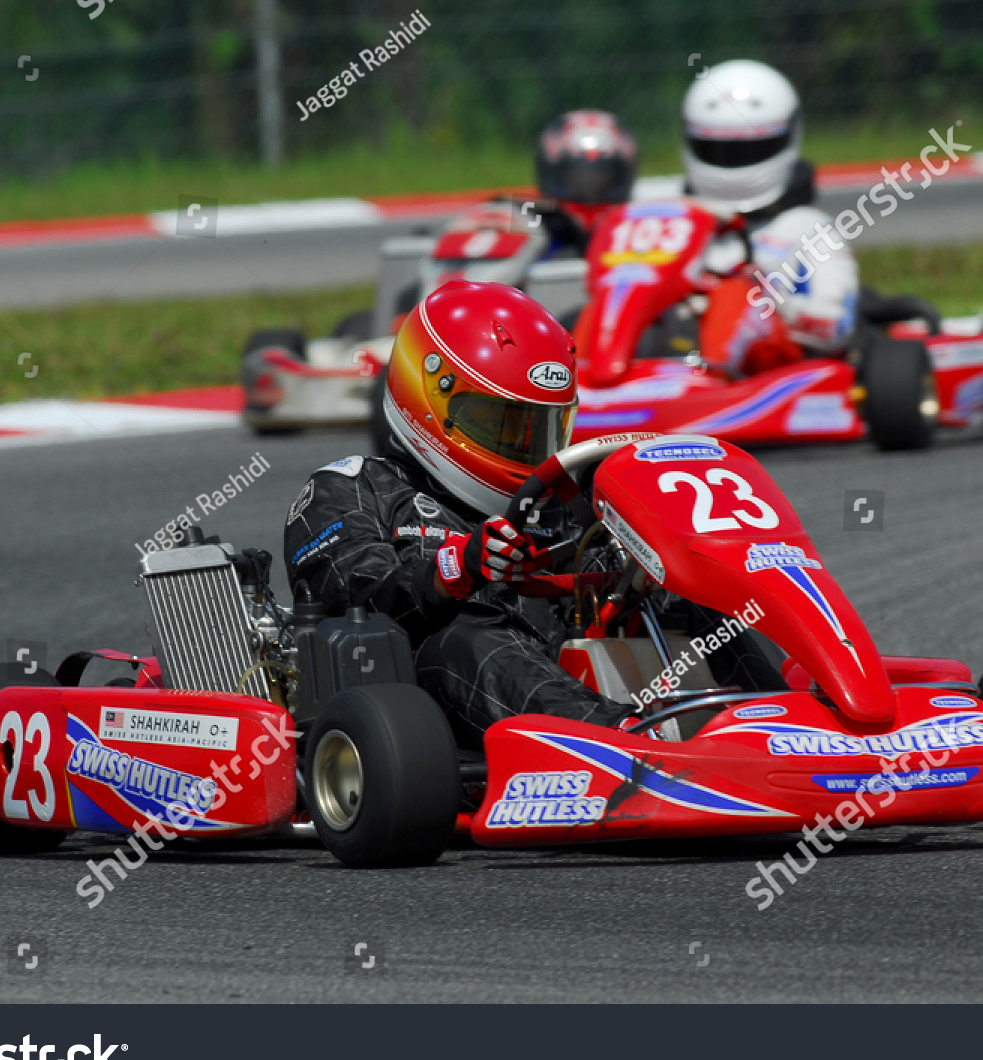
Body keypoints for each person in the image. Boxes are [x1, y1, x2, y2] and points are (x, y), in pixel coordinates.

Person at [284, 279, 782, 747]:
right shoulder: (351, 487)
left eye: (538, 427)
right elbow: (356, 596)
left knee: (684, 603)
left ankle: (777, 720)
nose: (523, 449)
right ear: (432, 398)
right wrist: (455, 569)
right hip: (428, 710)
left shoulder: (566, 499)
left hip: (563, 663)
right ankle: (619, 748)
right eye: (501, 425)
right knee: (463, 637)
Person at [681, 59, 859, 377]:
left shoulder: (807, 227)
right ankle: (583, 379)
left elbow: (836, 325)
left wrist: (766, 302)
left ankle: (708, 379)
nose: (732, 163)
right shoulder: (679, 225)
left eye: (748, 150)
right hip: (675, 349)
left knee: (734, 295)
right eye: (715, 150)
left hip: (771, 367)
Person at [530, 109, 640, 258]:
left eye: (600, 178)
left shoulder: (634, 229)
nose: (589, 187)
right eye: (578, 178)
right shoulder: (531, 221)